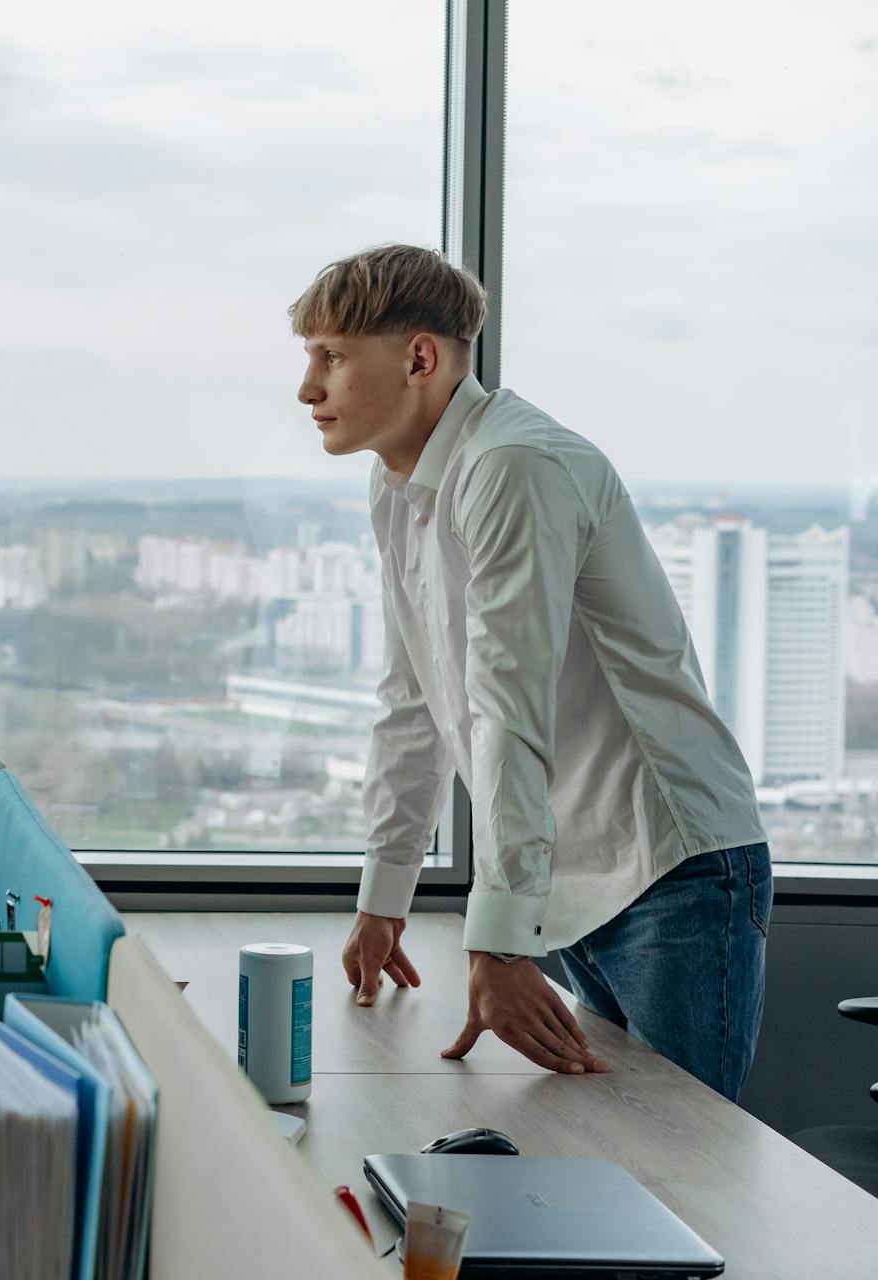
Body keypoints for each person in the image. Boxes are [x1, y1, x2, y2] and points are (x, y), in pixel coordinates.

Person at [290, 244, 772, 1100]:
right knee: (608, 1160)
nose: (307, 388)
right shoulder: (396, 487)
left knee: (686, 1171)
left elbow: (507, 708)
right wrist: (385, 892)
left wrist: (500, 944)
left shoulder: (512, 465)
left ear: (419, 358)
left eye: (331, 356)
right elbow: (414, 700)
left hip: (669, 868)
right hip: (571, 875)